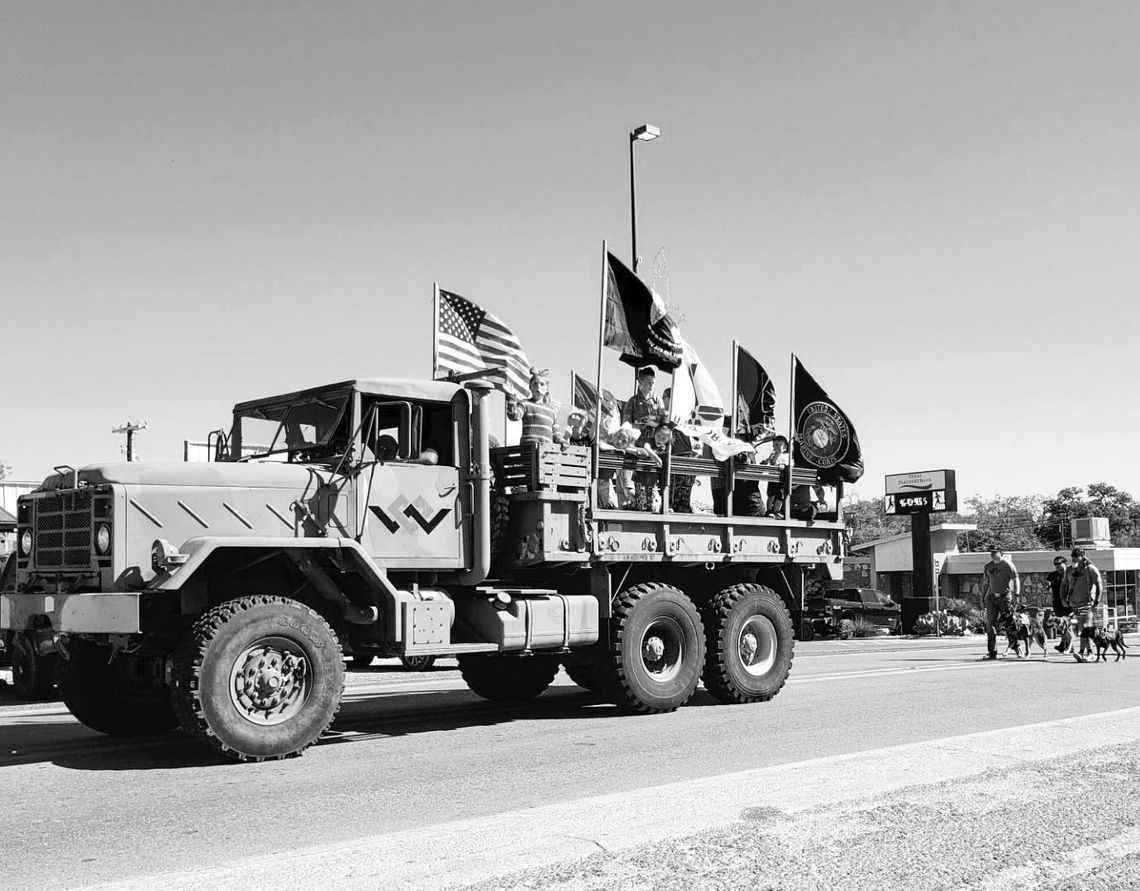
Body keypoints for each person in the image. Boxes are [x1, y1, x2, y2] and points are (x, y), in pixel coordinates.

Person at [1062, 547, 1103, 662]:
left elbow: (1099, 584)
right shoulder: (1069, 570)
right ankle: (1089, 652)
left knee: (1084, 627)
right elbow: (1064, 584)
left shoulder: (1090, 569)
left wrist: (1097, 600)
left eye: (1077, 556)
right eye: (1073, 556)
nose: (1074, 558)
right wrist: (1063, 598)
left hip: (1087, 603)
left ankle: (1082, 652)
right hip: (1075, 604)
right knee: (1082, 627)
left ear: (1083, 556)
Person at [981, 548, 1020, 660]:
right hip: (991, 597)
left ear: (1000, 553)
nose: (992, 554)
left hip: (1005, 597)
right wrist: (982, 598)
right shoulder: (987, 566)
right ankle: (992, 652)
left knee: (1009, 623)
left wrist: (1016, 595)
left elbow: (1015, 579)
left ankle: (1016, 648)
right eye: (991, 553)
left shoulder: (1007, 565)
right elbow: (985, 583)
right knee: (990, 625)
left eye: (995, 552)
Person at [508, 368, 562, 446]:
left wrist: (562, 441)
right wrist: (511, 397)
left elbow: (556, 432)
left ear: (547, 389)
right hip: (528, 450)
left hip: (545, 452)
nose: (538, 386)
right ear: (530, 387)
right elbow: (514, 416)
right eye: (535, 384)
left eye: (542, 384)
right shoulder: (525, 404)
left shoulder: (551, 410)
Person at [1047, 555, 1070, 646]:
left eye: (1059, 564)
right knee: (1061, 624)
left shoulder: (1070, 573)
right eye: (1055, 564)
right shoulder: (1052, 575)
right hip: (1057, 602)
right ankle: (1064, 643)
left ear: (1064, 563)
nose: (1057, 566)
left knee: (1067, 624)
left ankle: (1066, 643)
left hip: (1069, 602)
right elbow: (1048, 588)